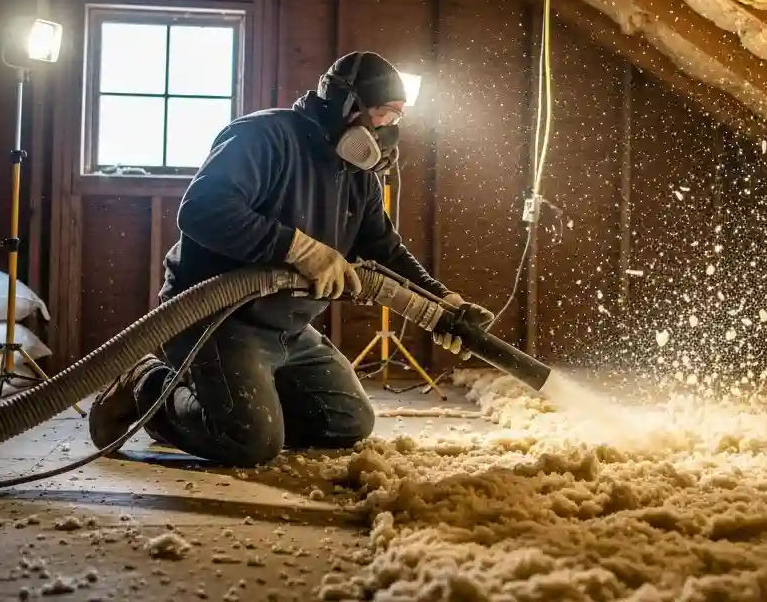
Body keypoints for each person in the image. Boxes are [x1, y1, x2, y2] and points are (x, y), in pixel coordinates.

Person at [87, 51, 495, 467]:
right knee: (250, 442)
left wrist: (442, 302)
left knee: (347, 421)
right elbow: (202, 211)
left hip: (288, 327)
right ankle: (148, 385)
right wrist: (300, 249)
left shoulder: (358, 174)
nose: (390, 131)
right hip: (218, 319)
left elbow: (382, 248)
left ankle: (237, 402)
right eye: (385, 115)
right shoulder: (262, 137)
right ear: (347, 105)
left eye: (396, 120)